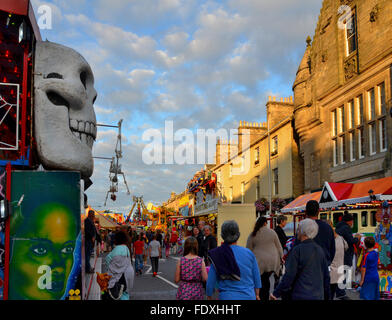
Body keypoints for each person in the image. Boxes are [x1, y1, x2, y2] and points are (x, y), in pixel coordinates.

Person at [271, 219, 330, 300]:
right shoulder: (320, 250)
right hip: (317, 295)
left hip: (300, 294)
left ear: (303, 231)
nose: (297, 231)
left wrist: (276, 293)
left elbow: (289, 275)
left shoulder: (297, 250)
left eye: (298, 228)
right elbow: (326, 276)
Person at [206, 220, 261, 300]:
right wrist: (257, 294)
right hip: (248, 295)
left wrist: (209, 296)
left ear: (222, 235)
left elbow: (210, 281)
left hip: (227, 296)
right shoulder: (249, 253)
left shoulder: (218, 254)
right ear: (238, 235)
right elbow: (256, 277)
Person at [247, 217, 283, 301]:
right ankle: (266, 295)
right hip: (272, 261)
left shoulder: (253, 233)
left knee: (260, 279)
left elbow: (248, 249)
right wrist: (281, 257)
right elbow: (279, 247)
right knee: (266, 278)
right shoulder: (272, 232)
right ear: (265, 223)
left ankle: (260, 295)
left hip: (259, 261)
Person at [335, 211, 361, 299]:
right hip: (345, 253)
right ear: (349, 221)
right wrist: (357, 238)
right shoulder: (346, 228)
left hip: (339, 252)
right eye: (352, 221)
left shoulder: (339, 227)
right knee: (345, 270)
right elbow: (350, 241)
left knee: (341, 270)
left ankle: (339, 290)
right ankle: (341, 292)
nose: (352, 223)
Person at [105, 231, 134, 300]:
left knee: (118, 293)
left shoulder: (116, 249)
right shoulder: (126, 248)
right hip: (128, 274)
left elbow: (108, 260)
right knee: (125, 293)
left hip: (119, 277)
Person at [326, 220, 348, 300]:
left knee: (329, 294)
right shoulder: (341, 239)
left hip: (330, 272)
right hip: (339, 270)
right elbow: (346, 247)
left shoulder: (327, 241)